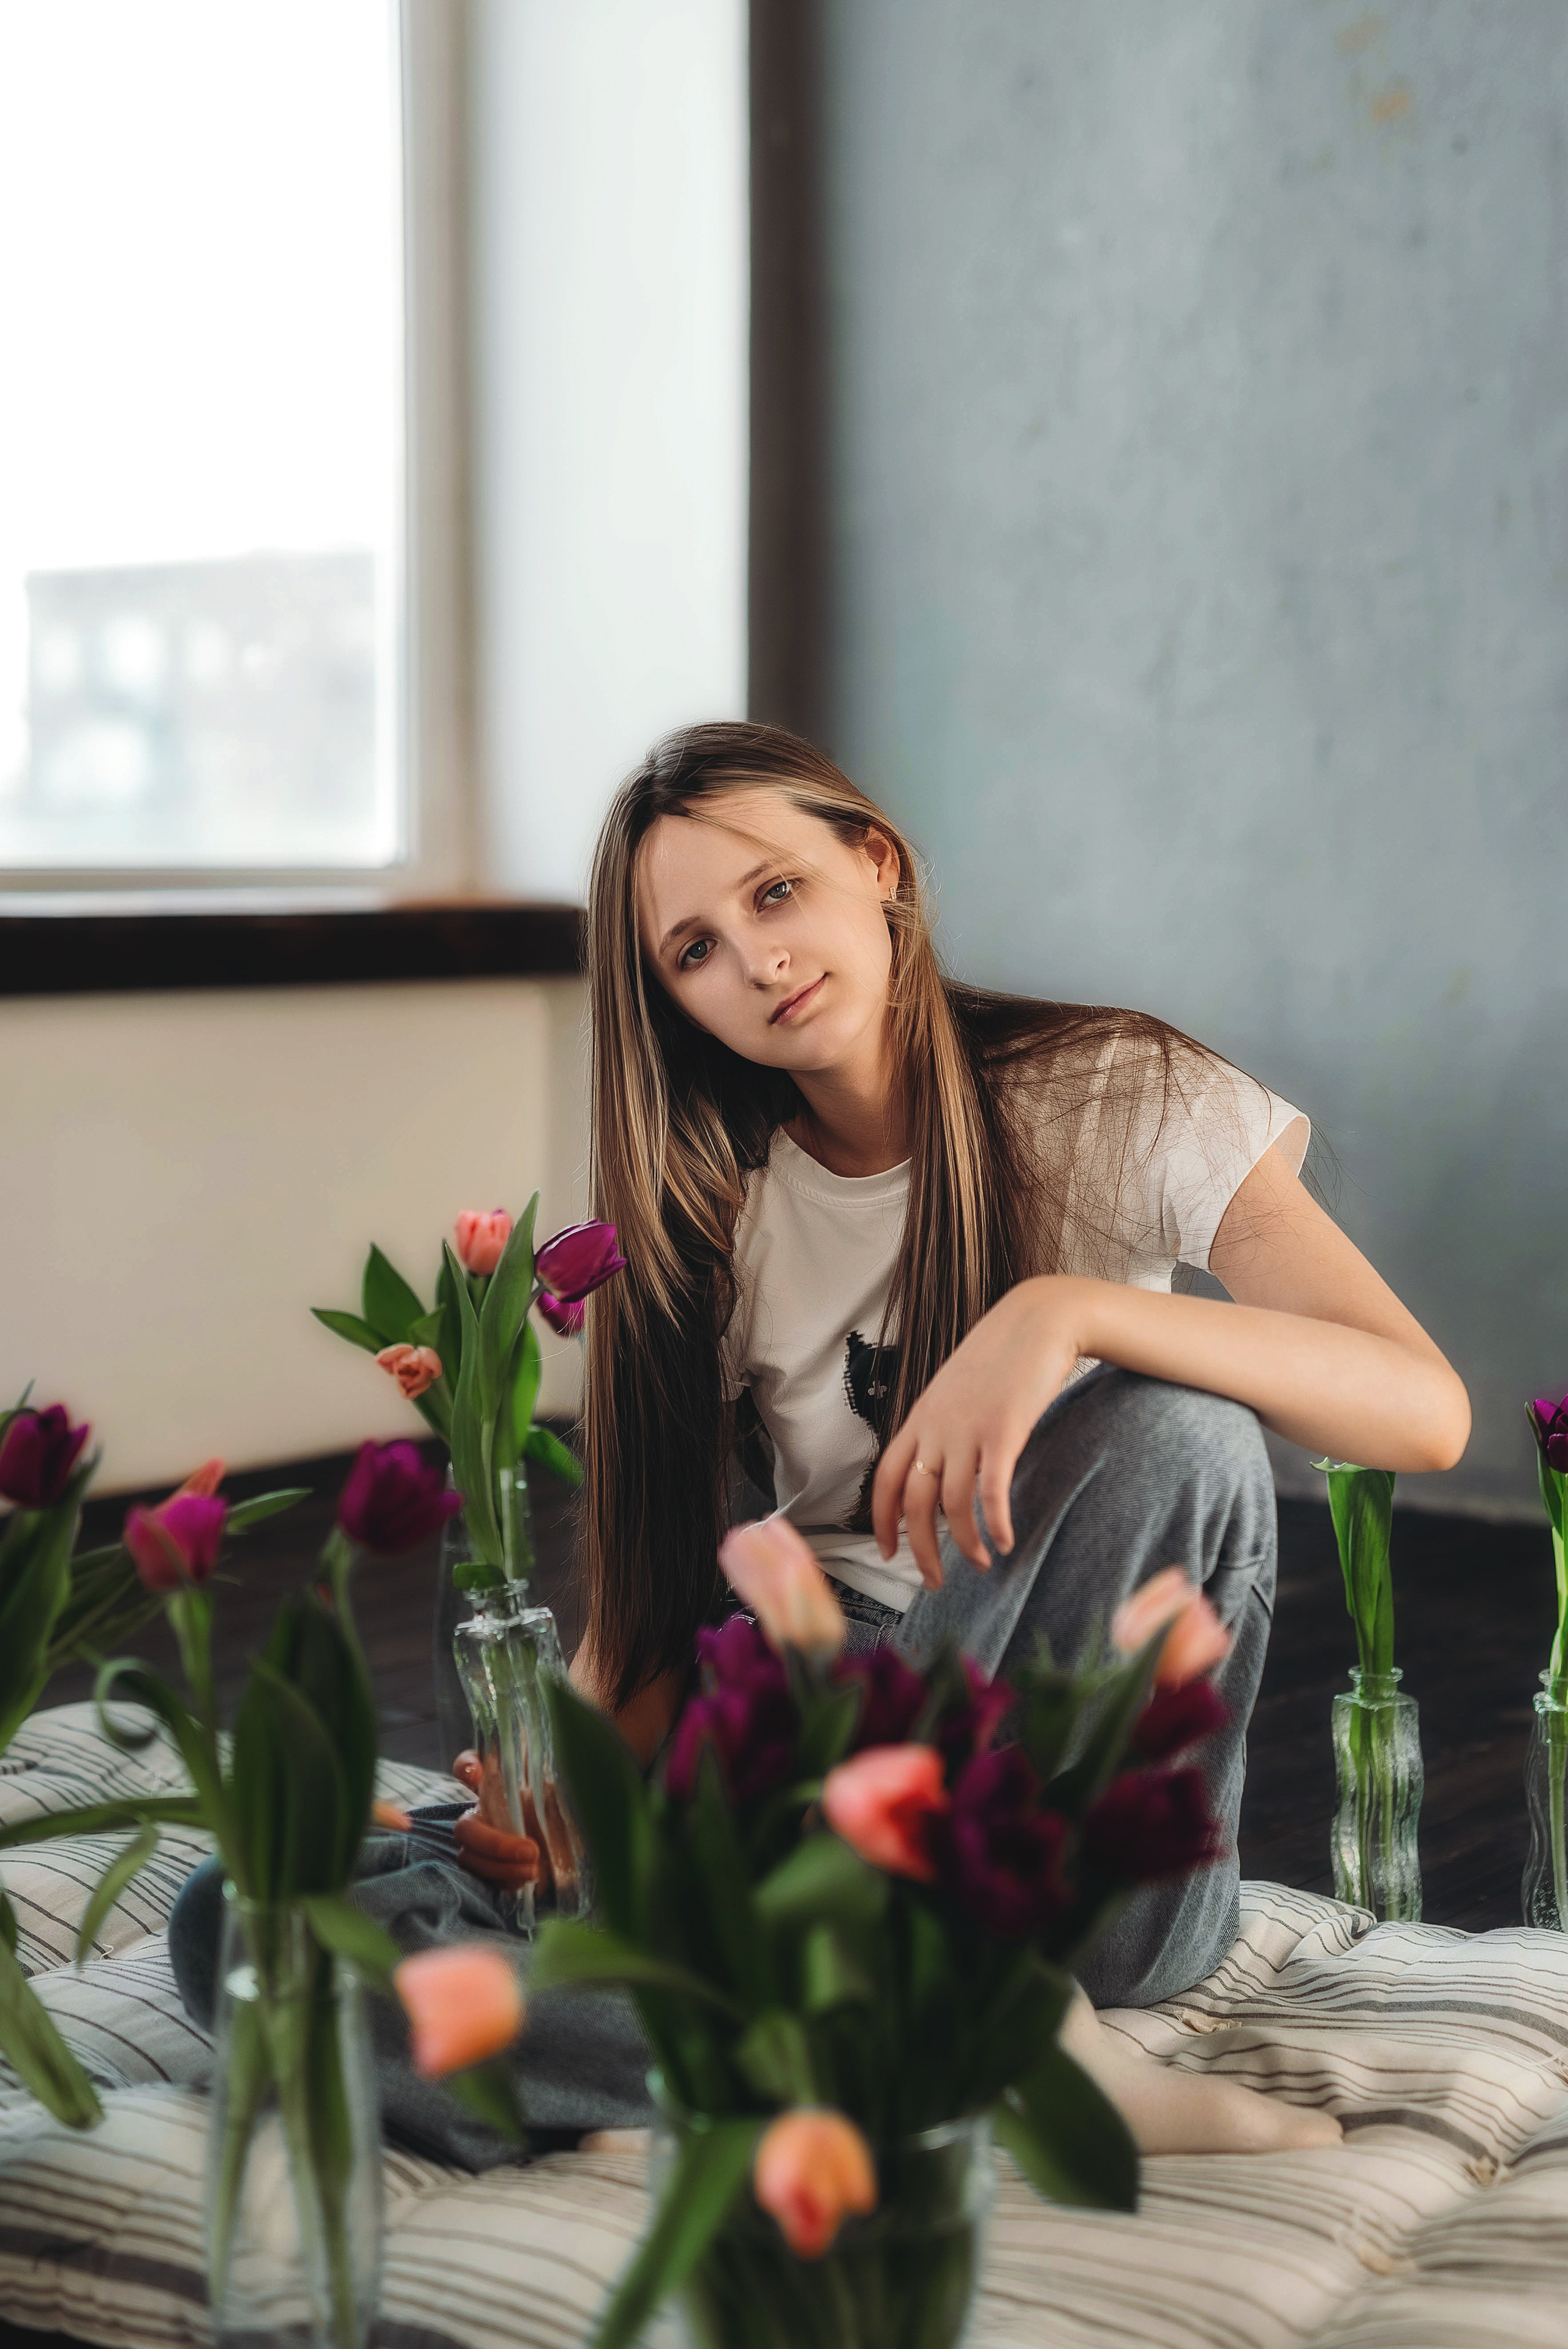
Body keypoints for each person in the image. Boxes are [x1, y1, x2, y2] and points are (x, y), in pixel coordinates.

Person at [456, 717, 1467, 2154]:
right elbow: (646, 1622)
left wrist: (1060, 1316)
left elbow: (1421, 1413)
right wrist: (551, 1805)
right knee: (244, 1939)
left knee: (1175, 1435)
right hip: (797, 1806)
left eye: (774, 894)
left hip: (1082, 1863)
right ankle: (955, 2038)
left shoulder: (1114, 1092)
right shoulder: (709, 1209)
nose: (754, 963)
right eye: (691, 953)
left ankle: (855, 2007)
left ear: (873, 864)